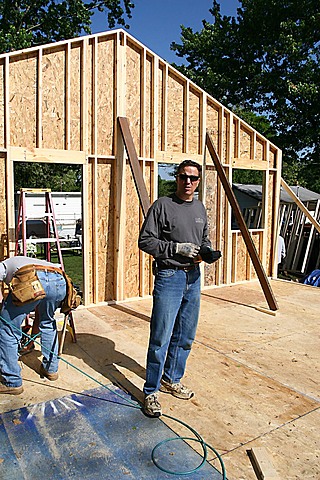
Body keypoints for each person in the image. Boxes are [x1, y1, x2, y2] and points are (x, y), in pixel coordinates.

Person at [138, 159, 221, 417]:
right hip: (170, 275)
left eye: (193, 179)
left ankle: (171, 378)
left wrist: (206, 252)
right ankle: (151, 391)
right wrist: (175, 248)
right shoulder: (162, 206)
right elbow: (145, 240)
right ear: (177, 178)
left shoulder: (199, 208)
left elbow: (203, 238)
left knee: (185, 335)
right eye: (184, 177)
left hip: (193, 277)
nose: (188, 182)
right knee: (161, 336)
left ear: (198, 182)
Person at [0, 256, 67, 394]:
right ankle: (51, 370)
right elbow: (38, 313)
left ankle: (12, 382)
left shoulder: (4, 266)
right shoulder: (23, 260)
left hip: (34, 278)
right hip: (59, 279)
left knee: (6, 329)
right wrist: (31, 337)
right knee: (48, 322)